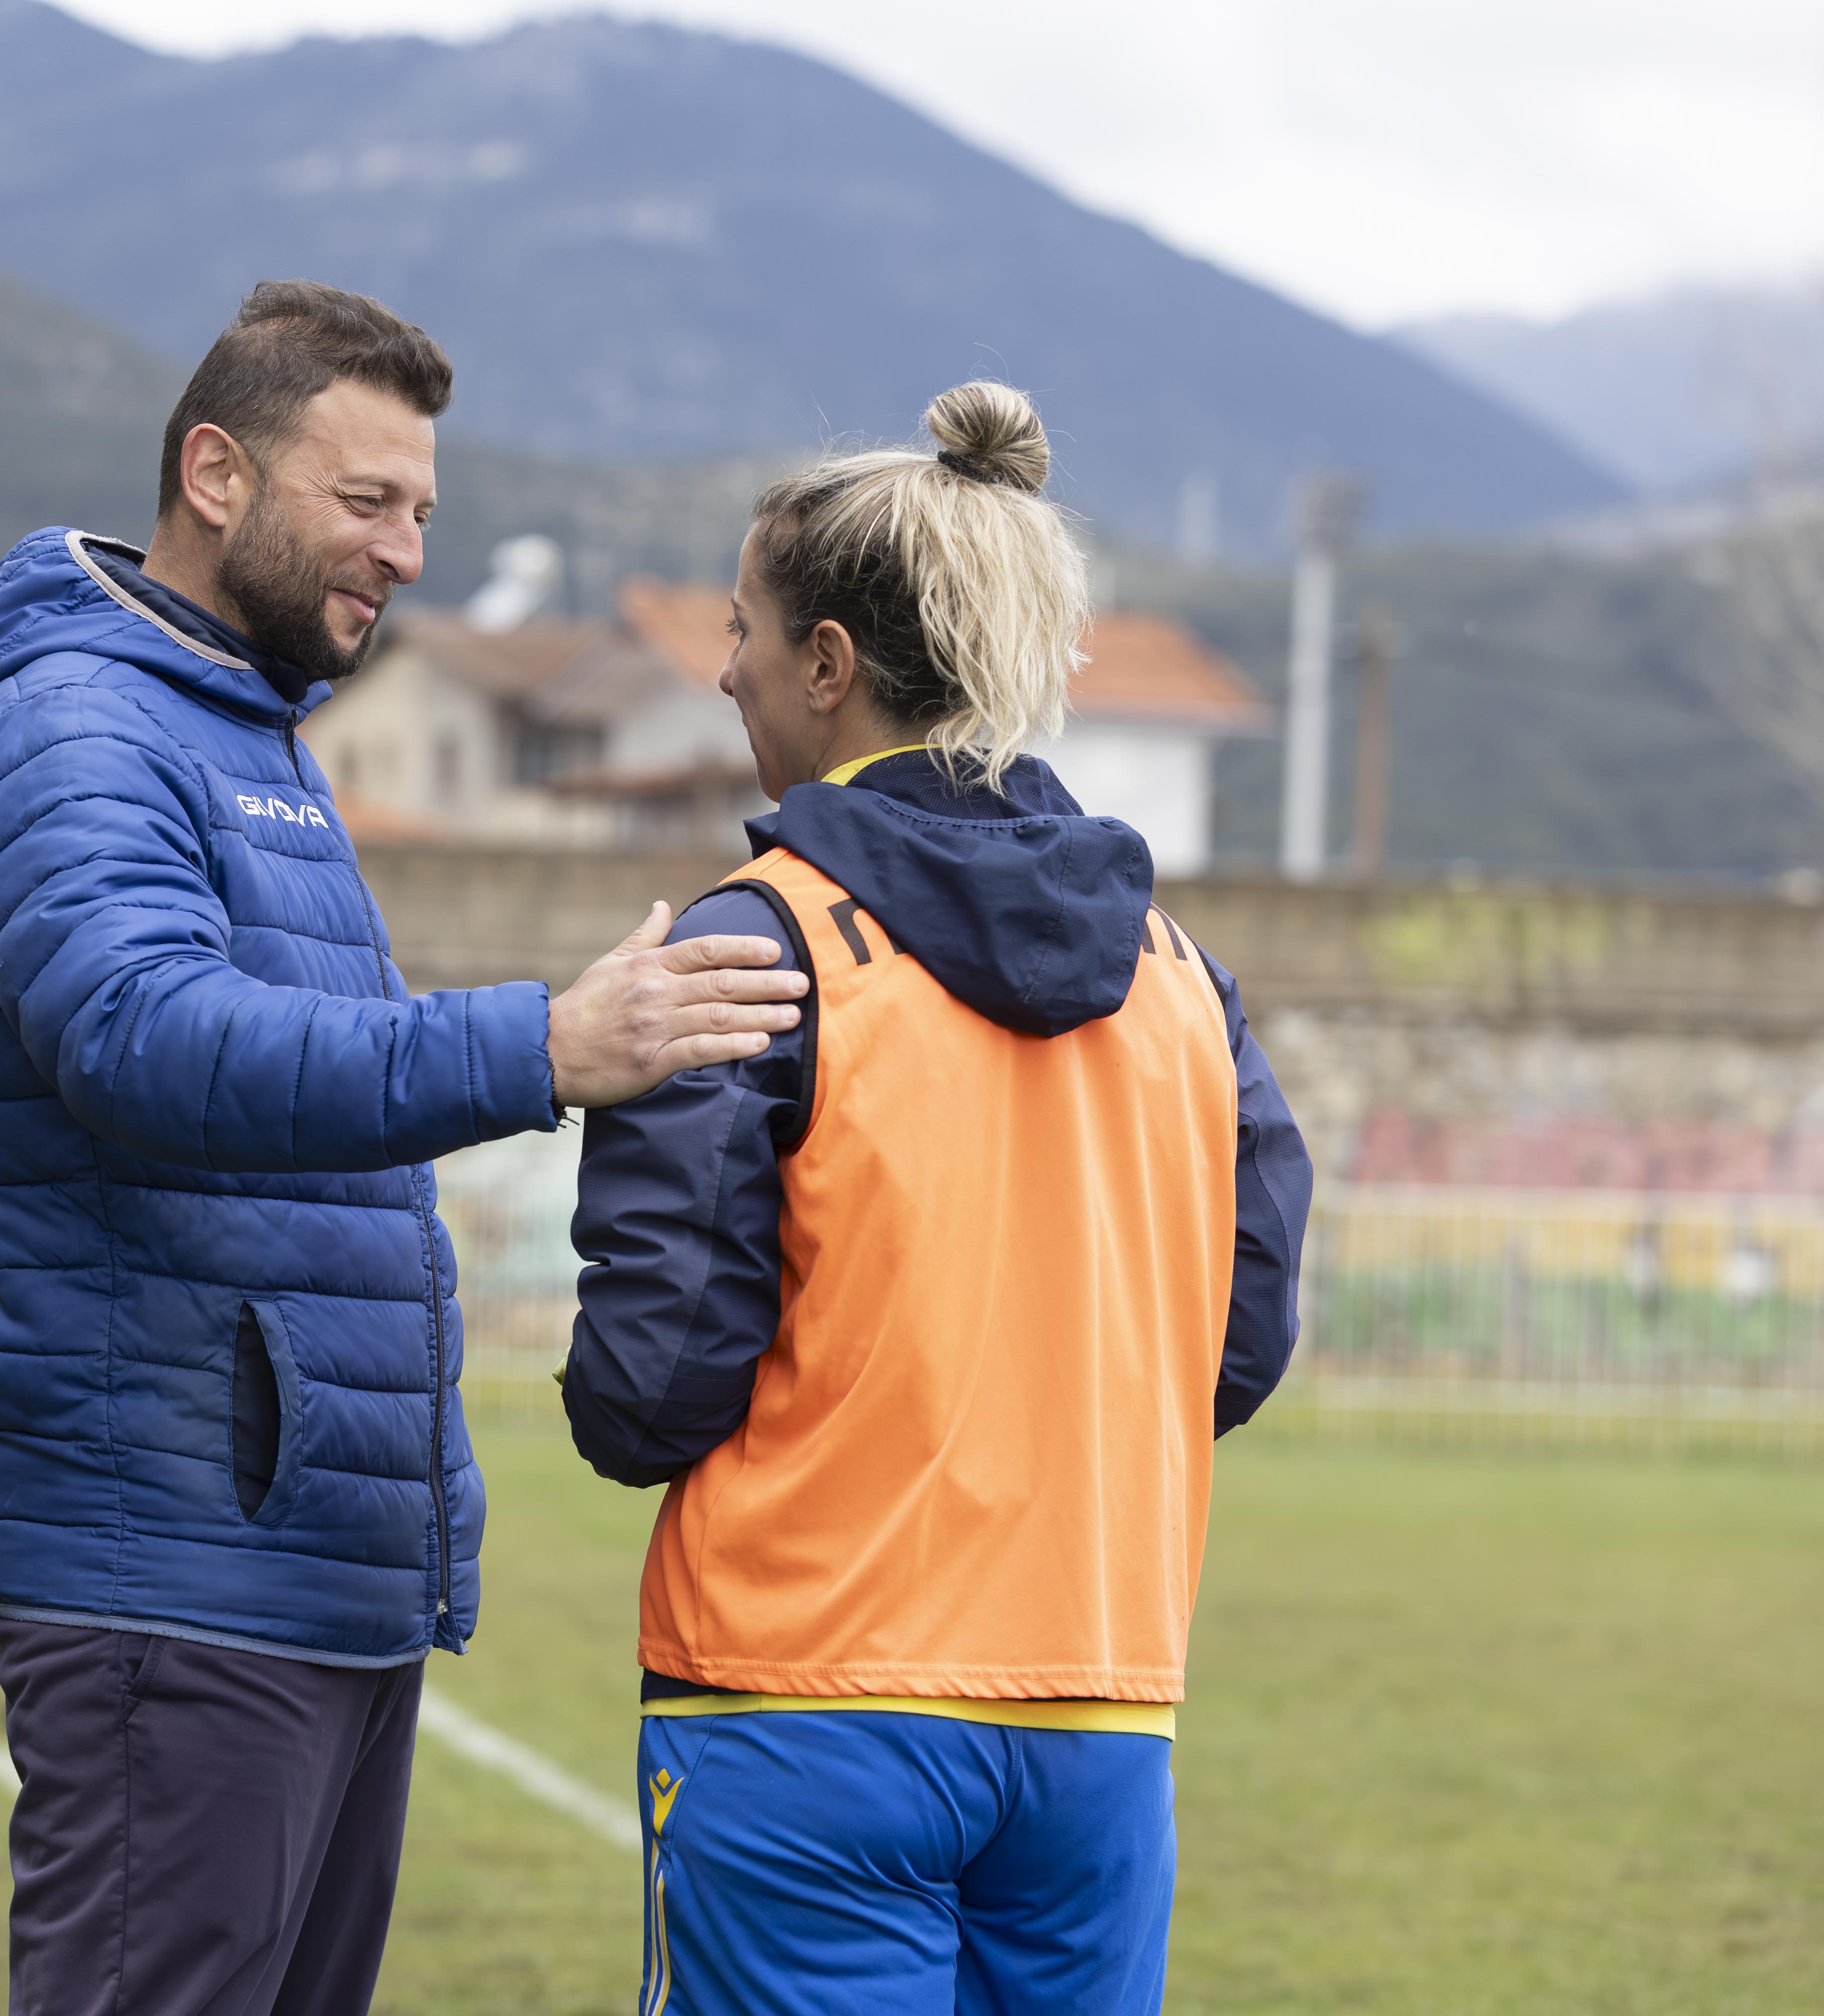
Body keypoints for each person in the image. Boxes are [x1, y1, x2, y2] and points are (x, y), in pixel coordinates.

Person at [0, 279, 808, 2016]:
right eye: (368, 500)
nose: (404, 552)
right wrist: (539, 1046)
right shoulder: (77, 725)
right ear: (216, 474)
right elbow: (139, 1036)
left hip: (301, 1564)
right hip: (174, 1569)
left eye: (422, 512)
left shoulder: (234, 726)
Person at [560, 382, 1314, 2015]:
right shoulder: (1183, 978)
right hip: (1097, 1711)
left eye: (746, 631)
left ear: (829, 664)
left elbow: (646, 1391)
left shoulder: (752, 949)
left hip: (803, 1699)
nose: (725, 669)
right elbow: (1239, 1342)